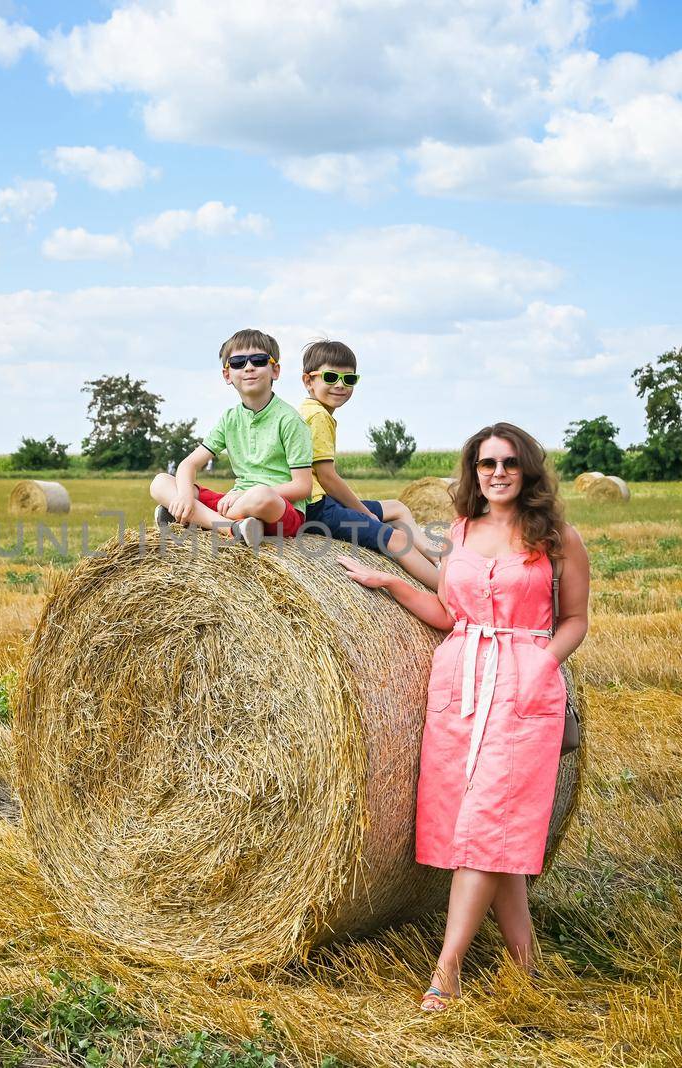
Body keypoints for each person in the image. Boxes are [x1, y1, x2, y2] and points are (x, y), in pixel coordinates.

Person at [337, 422, 590, 1012]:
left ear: (526, 470)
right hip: (462, 681)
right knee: (482, 827)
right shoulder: (460, 532)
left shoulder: (557, 538)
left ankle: (446, 968)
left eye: (507, 462)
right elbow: (451, 611)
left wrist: (541, 665)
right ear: (473, 472)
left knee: (483, 828)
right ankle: (526, 964)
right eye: (485, 464)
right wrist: (390, 585)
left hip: (524, 685)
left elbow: (575, 619)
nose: (496, 472)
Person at [150, 329, 313, 548]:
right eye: (237, 362)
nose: (248, 367)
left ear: (275, 370)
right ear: (227, 375)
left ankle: (198, 519)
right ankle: (231, 528)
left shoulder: (289, 420)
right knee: (160, 482)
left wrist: (245, 494)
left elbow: (303, 487)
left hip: (279, 510)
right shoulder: (230, 419)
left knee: (261, 495)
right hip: (234, 504)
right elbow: (189, 464)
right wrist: (186, 496)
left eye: (259, 360)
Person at [297, 339, 438, 588]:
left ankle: (435, 557)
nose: (340, 385)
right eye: (330, 377)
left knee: (397, 507)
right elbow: (328, 477)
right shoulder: (318, 416)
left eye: (349, 379)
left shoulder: (309, 411)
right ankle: (449, 594)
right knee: (394, 540)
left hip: (319, 503)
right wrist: (365, 513)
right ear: (309, 381)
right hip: (316, 508)